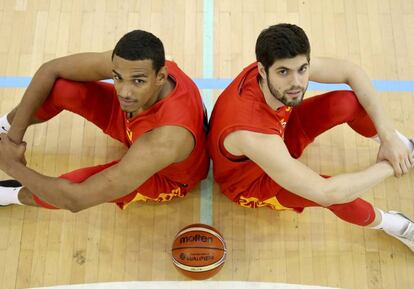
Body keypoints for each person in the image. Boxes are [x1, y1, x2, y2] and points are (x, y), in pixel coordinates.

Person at [208, 23, 414, 251]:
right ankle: (398, 225)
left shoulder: (282, 66)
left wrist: (389, 137)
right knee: (336, 195)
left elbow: (351, 71)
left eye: (303, 69)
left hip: (280, 133)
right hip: (252, 182)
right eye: (284, 72)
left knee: (346, 102)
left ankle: (404, 146)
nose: (296, 82)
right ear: (262, 70)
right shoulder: (250, 132)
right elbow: (327, 193)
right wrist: (391, 164)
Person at [0, 30, 209, 212]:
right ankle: (3, 127)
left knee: (73, 186)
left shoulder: (167, 139)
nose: (124, 92)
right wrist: (12, 140)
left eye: (138, 81)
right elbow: (50, 69)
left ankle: (10, 194)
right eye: (117, 77)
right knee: (63, 88)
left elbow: (75, 200)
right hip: (133, 122)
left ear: (161, 77)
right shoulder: (135, 64)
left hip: (163, 175)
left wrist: (11, 164)